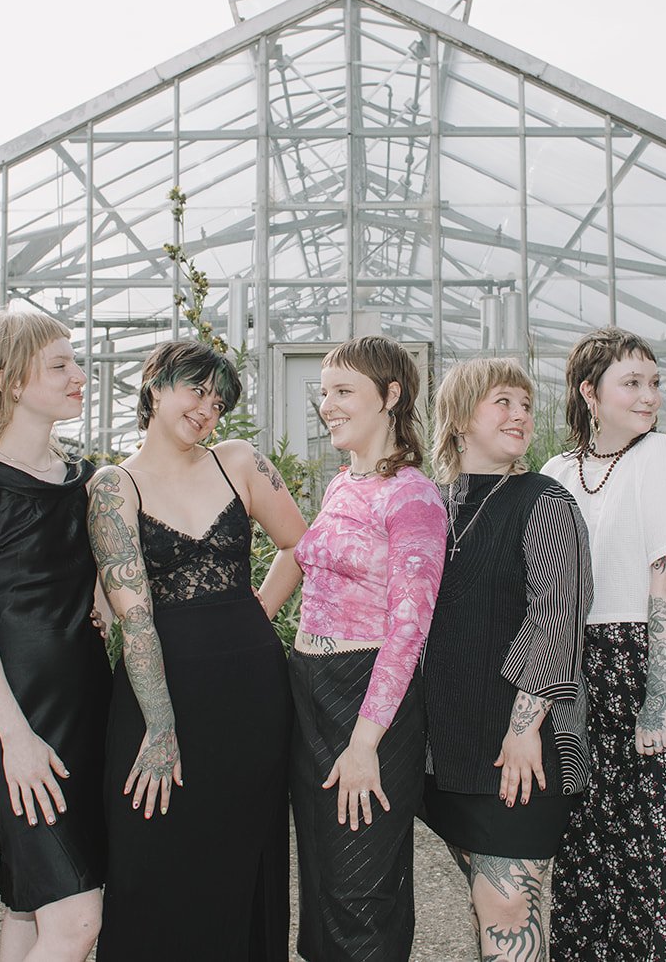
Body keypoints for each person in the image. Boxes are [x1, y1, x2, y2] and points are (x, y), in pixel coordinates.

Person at [89, 339, 307, 961]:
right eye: (196, 390)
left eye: (219, 401)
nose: (208, 409)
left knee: (244, 853)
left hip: (252, 691)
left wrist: (255, 614)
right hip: (161, 685)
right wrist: (159, 725)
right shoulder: (114, 486)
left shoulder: (237, 460)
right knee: (150, 855)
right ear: (155, 385)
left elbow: (301, 546)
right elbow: (135, 621)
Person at [0, 311, 112, 961]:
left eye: (76, 361)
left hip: (88, 711)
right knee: (79, 921)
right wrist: (14, 737)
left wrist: (106, 599)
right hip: (20, 719)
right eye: (60, 365)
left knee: (31, 911)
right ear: (9, 378)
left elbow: (89, 580)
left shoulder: (85, 479)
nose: (78, 376)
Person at [543, 327, 666, 960]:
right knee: (589, 846)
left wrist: (657, 693)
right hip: (582, 665)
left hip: (654, 654)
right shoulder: (556, 472)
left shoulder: (660, 455)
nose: (650, 397)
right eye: (632, 383)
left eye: (654, 383)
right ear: (589, 393)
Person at [422, 357, 591, 962]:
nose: (521, 414)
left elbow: (556, 616)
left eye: (525, 404)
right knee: (488, 908)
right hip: (449, 750)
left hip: (522, 746)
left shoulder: (543, 499)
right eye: (503, 402)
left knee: (509, 911)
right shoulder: (431, 505)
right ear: (462, 417)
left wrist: (525, 732)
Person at [291, 335, 448, 962]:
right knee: (325, 879)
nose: (328, 405)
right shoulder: (341, 485)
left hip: (368, 699)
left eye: (343, 392)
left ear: (391, 396)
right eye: (324, 392)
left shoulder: (411, 496)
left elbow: (410, 629)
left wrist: (364, 744)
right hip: (313, 693)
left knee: (363, 887)